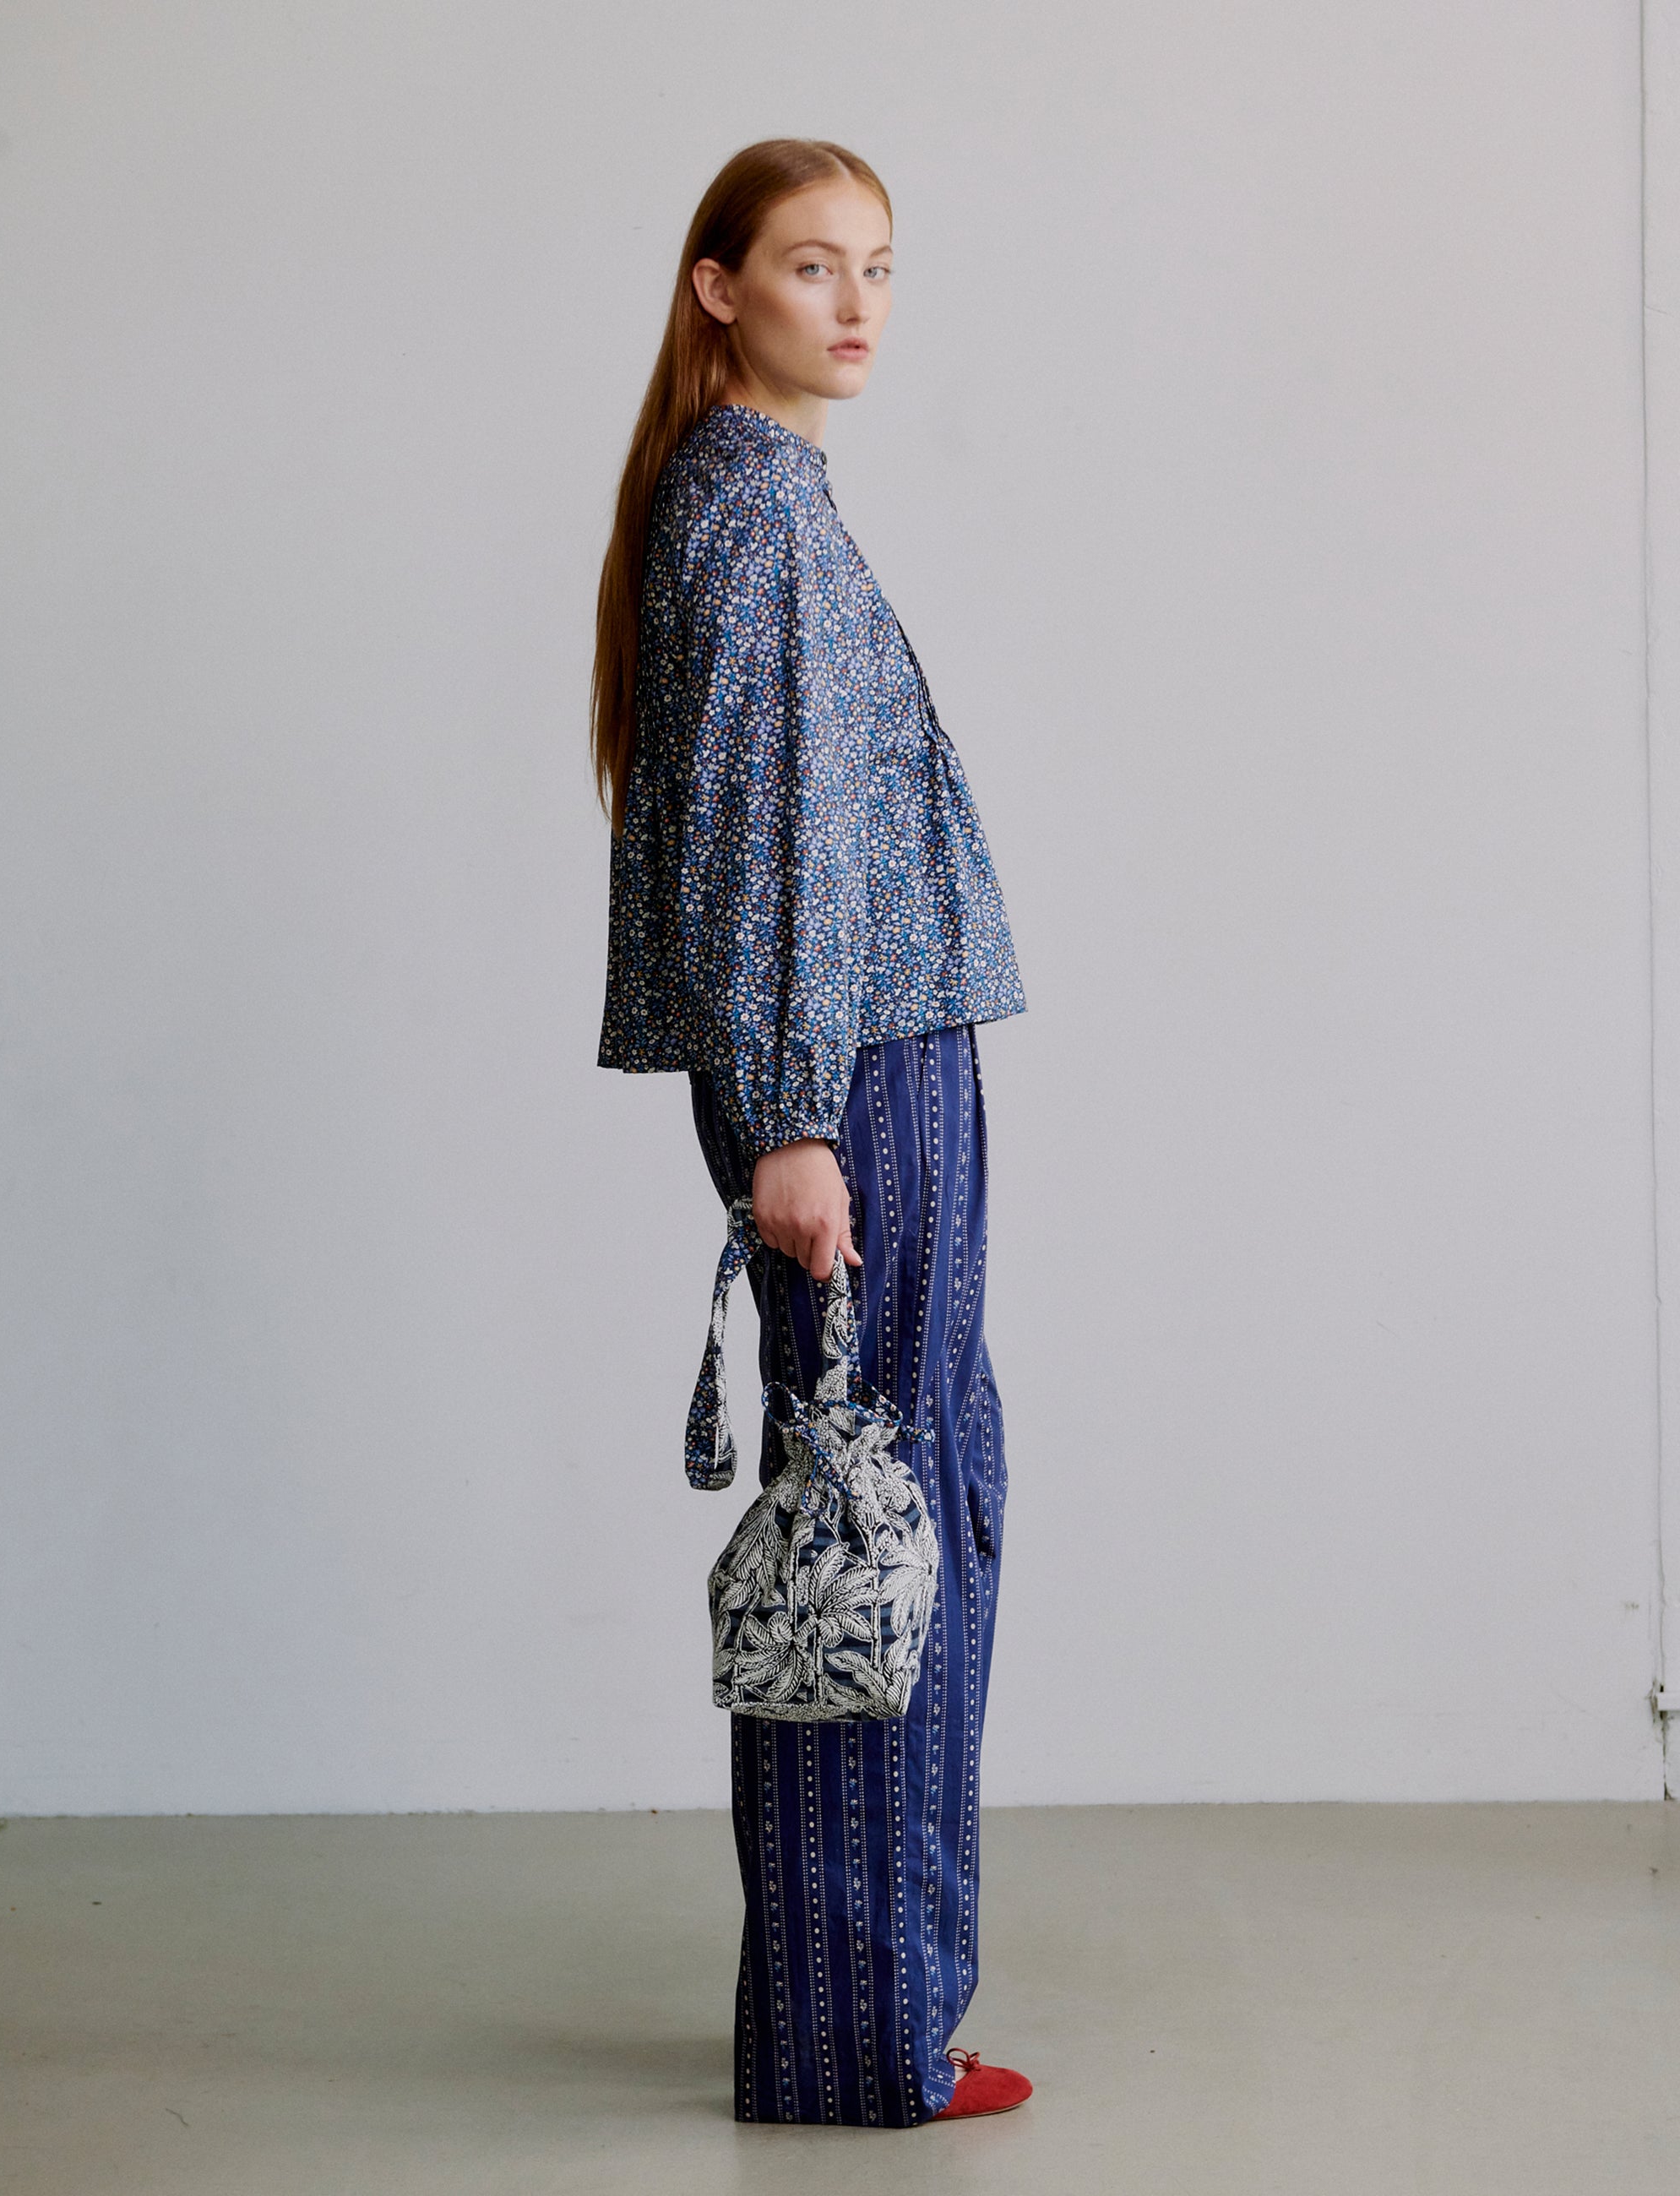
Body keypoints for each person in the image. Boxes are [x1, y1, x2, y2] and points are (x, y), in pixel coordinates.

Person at [591, 137, 1031, 2128]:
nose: (852, 304)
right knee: (883, 1518)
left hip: (852, 1061)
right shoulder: (758, 513)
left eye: (875, 267)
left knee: (875, 1504)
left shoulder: (746, 498)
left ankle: (847, 2021)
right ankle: (865, 2044)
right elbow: (774, 844)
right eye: (804, 266)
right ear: (716, 288)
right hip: (849, 1075)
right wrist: (786, 1122)